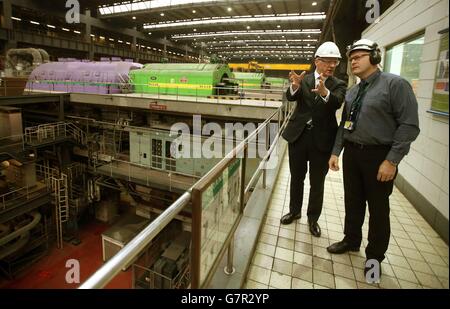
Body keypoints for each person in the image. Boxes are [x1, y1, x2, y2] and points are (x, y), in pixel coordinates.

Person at [327, 39, 420, 278]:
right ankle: (351, 239)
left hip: (379, 156)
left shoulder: (395, 85)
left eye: (359, 56)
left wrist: (392, 160)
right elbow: (344, 126)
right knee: (353, 201)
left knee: (378, 210)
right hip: (353, 154)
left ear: (375, 57)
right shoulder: (353, 91)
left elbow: (409, 126)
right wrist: (336, 151)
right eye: (352, 58)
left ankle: (374, 259)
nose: (354, 61)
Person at [280, 42, 347, 237]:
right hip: (299, 137)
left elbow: (337, 102)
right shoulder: (305, 80)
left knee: (317, 182)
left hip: (322, 141)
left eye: (335, 62)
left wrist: (325, 92)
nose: (332, 65)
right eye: (328, 61)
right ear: (317, 61)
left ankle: (313, 219)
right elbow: (291, 98)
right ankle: (294, 211)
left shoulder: (339, 84)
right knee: (296, 178)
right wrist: (294, 86)